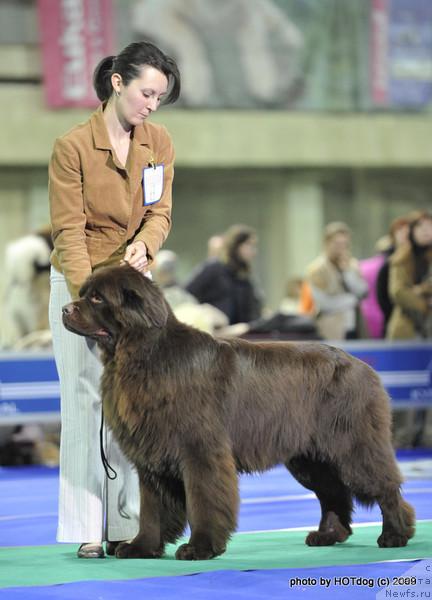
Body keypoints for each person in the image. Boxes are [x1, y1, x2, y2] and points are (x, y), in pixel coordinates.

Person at [48, 41, 180, 558]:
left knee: (134, 405)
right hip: (83, 286)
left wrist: (146, 245)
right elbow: (68, 232)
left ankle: (130, 522)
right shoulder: (72, 147)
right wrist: (91, 303)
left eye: (160, 97)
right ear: (118, 82)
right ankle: (87, 525)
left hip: (132, 291)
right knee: (84, 403)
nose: (152, 104)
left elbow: (160, 211)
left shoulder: (160, 142)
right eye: (147, 92)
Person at [387, 212, 432, 448]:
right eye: (421, 227)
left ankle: (428, 437)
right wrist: (425, 302)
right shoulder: (401, 258)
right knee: (405, 389)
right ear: (412, 231)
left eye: (430, 227)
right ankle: (401, 440)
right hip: (406, 330)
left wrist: (419, 289)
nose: (426, 231)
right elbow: (398, 293)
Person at [186, 224, 262, 325]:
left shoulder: (245, 278)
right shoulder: (213, 269)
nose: (253, 251)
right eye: (249, 245)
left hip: (240, 336)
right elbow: (186, 294)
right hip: (213, 335)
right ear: (236, 245)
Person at [305, 222, 368, 340]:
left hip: (355, 327)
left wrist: (347, 272)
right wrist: (351, 300)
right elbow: (324, 303)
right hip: (332, 329)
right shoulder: (317, 269)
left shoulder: (352, 265)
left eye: (345, 244)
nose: (342, 248)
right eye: (337, 244)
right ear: (327, 243)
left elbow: (362, 291)